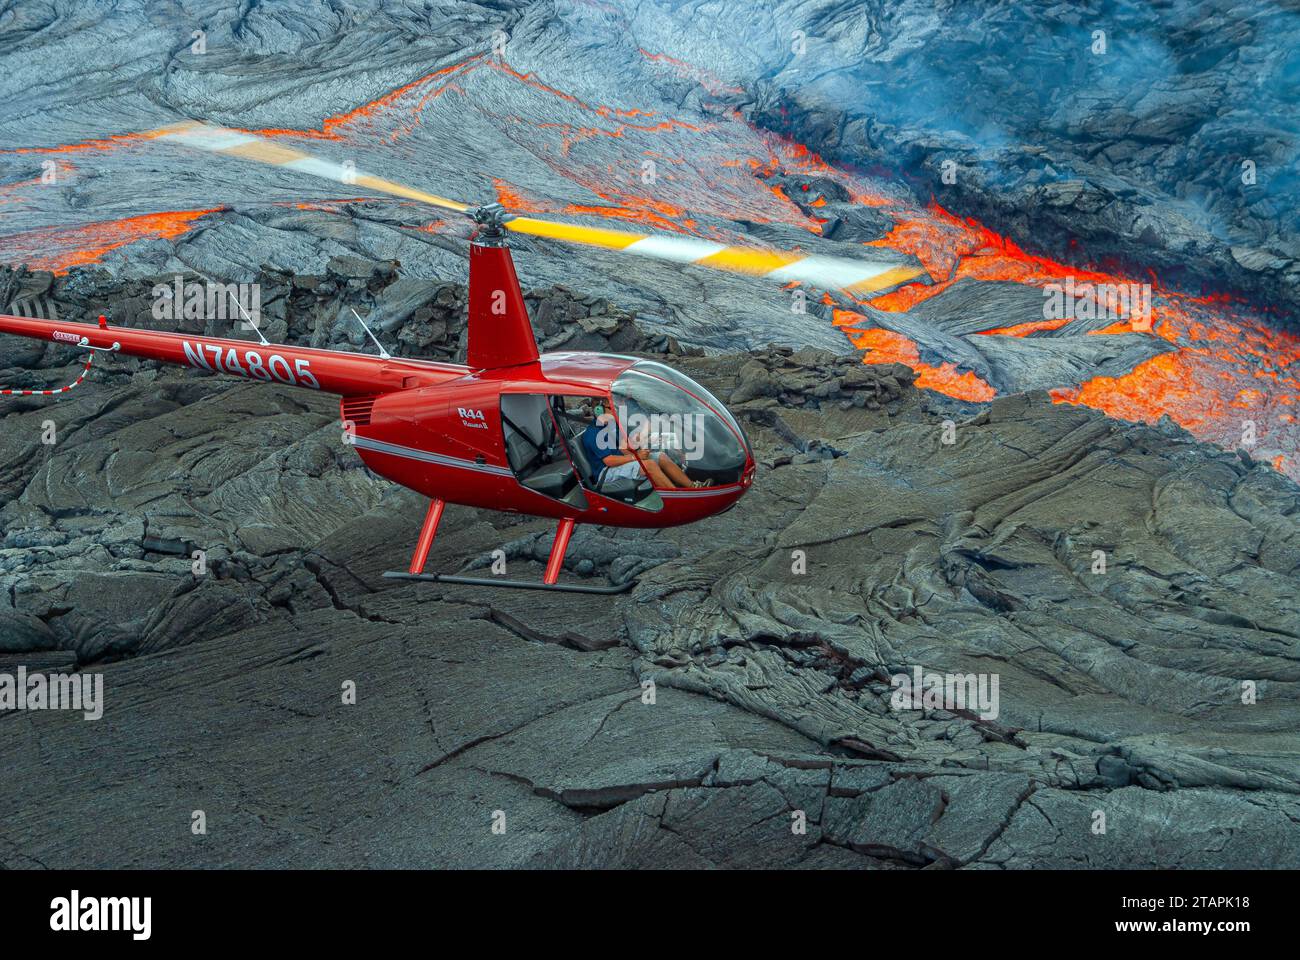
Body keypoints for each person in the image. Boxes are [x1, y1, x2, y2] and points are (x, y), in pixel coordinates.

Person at [581, 404, 707, 490]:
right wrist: (635, 458)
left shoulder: (611, 426)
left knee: (660, 456)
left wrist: (641, 447)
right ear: (600, 410)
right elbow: (609, 461)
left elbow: (623, 447)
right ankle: (678, 500)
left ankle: (693, 486)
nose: (616, 411)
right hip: (606, 473)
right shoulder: (593, 434)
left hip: (619, 464)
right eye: (612, 408)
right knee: (650, 465)